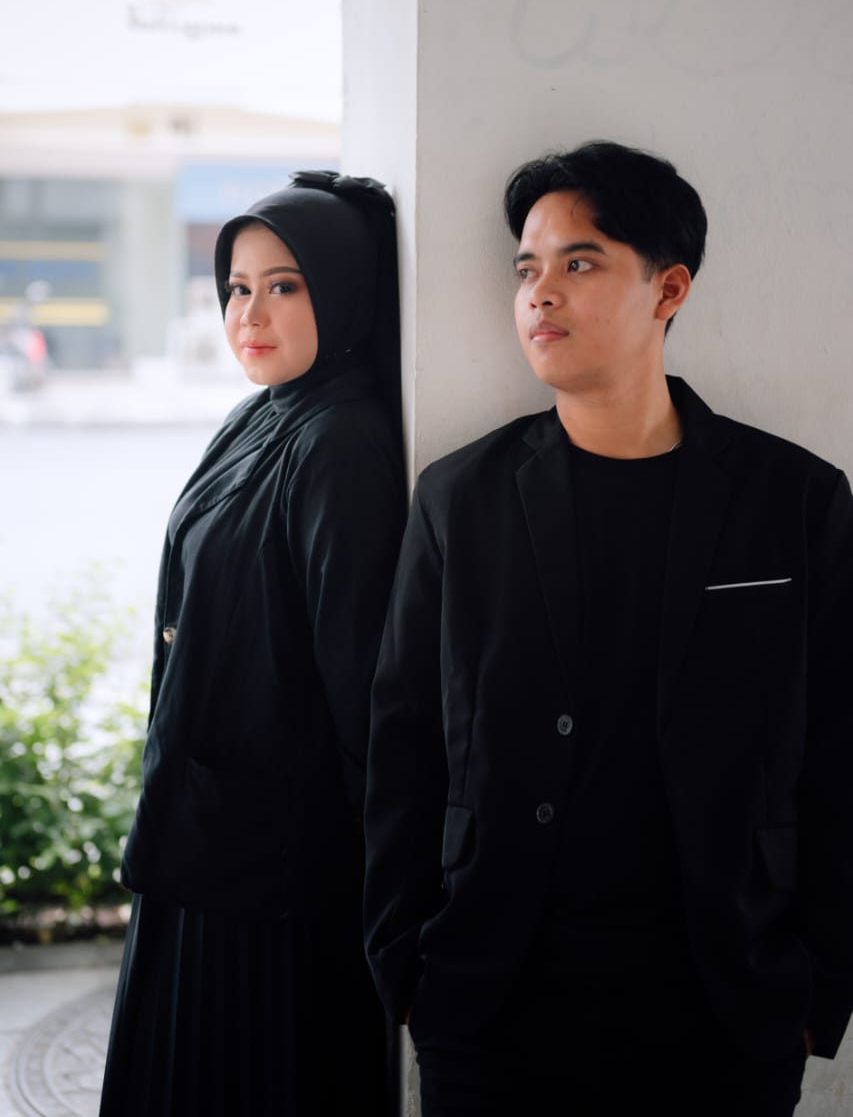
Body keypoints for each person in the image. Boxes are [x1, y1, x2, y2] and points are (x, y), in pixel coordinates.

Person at [363, 141, 853, 1116]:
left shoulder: (793, 500)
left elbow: (839, 748)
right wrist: (403, 965)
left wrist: (821, 979)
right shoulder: (458, 500)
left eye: (578, 262)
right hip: (495, 998)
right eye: (526, 269)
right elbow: (402, 743)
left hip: (721, 1001)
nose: (539, 293)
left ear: (667, 288)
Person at [99, 171, 406, 1117]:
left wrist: (390, 894)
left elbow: (363, 685)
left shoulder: (341, 443)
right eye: (237, 288)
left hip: (272, 878)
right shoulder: (265, 415)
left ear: (344, 291)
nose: (249, 314)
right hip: (205, 838)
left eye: (284, 285)